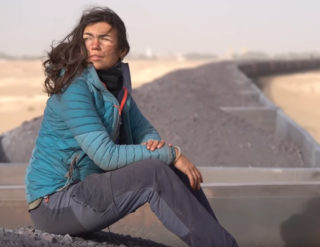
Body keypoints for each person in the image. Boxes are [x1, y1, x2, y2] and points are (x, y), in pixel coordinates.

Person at [25, 6, 238, 247]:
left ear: (122, 49)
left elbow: (145, 132)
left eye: (104, 38)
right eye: (87, 38)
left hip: (84, 193)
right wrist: (172, 153)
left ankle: (216, 241)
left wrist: (158, 149)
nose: (94, 45)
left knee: (172, 169)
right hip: (55, 204)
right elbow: (105, 156)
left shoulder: (116, 90)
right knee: (155, 172)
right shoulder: (75, 88)